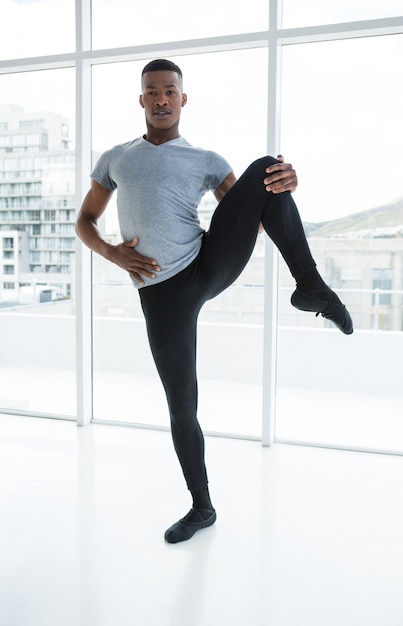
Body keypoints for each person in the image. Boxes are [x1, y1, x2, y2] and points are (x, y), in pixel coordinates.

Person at [76, 58, 353, 544]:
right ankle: (201, 508)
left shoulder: (205, 159)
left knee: (268, 169)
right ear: (141, 99)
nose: (161, 98)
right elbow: (85, 221)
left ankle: (310, 285)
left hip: (208, 263)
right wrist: (114, 255)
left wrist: (282, 187)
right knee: (182, 404)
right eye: (152, 91)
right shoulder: (116, 158)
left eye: (170, 91)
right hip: (161, 291)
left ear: (183, 98)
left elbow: (258, 212)